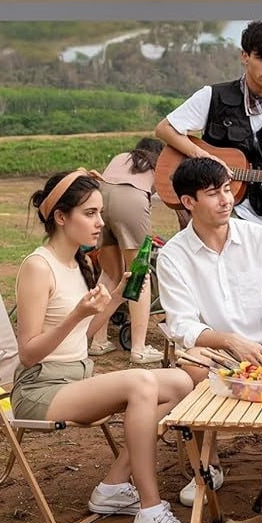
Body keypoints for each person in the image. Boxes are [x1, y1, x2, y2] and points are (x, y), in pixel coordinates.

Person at [13, 169, 198, 523]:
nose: (100, 222)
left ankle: (113, 485)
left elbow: (82, 335)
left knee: (182, 382)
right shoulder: (38, 266)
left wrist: (116, 295)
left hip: (75, 380)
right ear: (61, 217)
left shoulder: (78, 262)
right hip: (41, 389)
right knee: (141, 382)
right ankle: (150, 511)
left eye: (100, 212)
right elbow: (28, 353)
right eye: (90, 213)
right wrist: (76, 315)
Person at [156, 156, 262, 503]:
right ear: (188, 202)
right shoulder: (174, 254)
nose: (226, 200)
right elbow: (182, 324)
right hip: (219, 352)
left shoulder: (260, 238)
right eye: (213, 193)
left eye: (227, 189)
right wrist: (230, 341)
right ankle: (208, 466)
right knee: (192, 365)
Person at [155, 20, 262, 234]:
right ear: (245, 56)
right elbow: (164, 129)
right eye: (261, 57)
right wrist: (204, 156)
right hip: (213, 212)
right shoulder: (212, 96)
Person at [87, 136, 164, 364]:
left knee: (110, 273)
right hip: (131, 202)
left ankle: (98, 340)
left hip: (101, 202)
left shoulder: (121, 157)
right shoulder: (157, 164)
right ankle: (139, 348)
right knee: (139, 273)